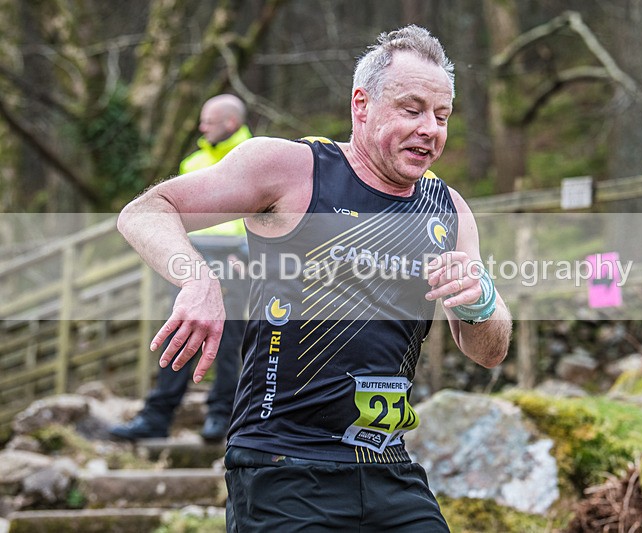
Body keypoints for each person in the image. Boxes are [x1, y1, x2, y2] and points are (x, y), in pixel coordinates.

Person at [117, 25, 512, 532]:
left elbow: (489, 352)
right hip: (283, 469)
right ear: (362, 104)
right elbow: (147, 209)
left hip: (390, 469)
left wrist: (482, 301)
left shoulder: (449, 210)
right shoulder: (292, 169)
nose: (430, 129)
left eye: (441, 116)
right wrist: (197, 279)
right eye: (412, 110)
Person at [110, 94, 252, 442]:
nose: (201, 126)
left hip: (238, 264)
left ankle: (222, 417)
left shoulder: (257, 158)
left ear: (230, 123)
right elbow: (172, 219)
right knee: (179, 334)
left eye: (208, 120)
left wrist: (250, 257)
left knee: (230, 343)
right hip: (193, 263)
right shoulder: (193, 162)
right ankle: (157, 417)